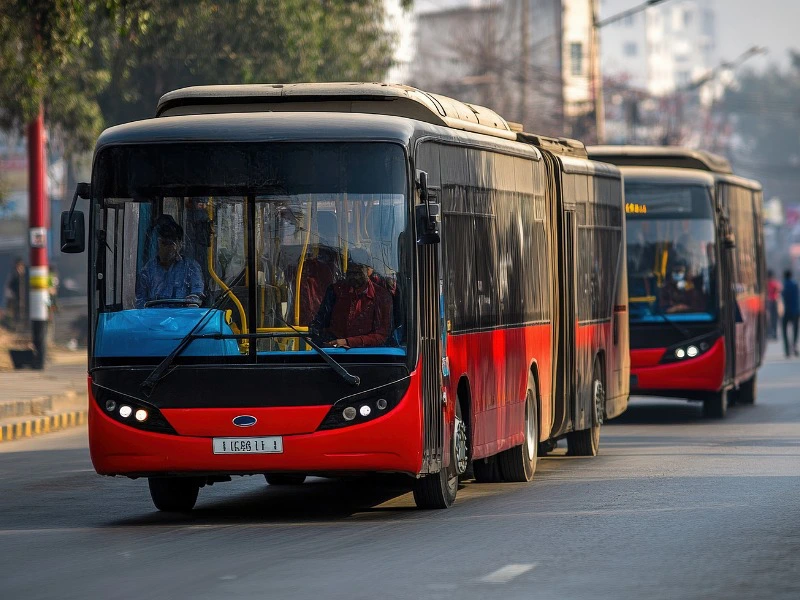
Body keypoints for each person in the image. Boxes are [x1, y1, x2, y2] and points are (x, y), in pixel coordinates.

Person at [310, 257, 392, 348]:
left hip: (368, 355)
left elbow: (381, 336)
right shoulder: (335, 291)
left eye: (358, 273)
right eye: (350, 273)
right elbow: (320, 323)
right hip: (332, 352)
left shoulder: (381, 296)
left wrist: (347, 342)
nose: (354, 277)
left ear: (369, 271)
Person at [135, 214, 205, 309]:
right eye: (163, 243)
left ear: (179, 245)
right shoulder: (147, 271)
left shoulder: (191, 268)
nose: (166, 248)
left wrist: (193, 302)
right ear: (158, 243)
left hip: (182, 321)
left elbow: (197, 296)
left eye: (171, 244)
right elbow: (140, 301)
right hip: (154, 321)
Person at [781, 269, 799, 358]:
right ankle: (794, 347)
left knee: (784, 331)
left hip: (786, 311)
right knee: (795, 331)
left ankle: (787, 350)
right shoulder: (795, 285)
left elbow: (782, 298)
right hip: (795, 311)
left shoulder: (784, 285)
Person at [4, 257, 26, 331]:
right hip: (16, 298)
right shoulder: (14, 274)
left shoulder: (24, 275)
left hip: (23, 298)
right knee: (16, 313)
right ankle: (16, 327)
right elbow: (9, 286)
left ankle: (21, 327)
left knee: (22, 312)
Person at [766, 270, 781, 340]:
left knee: (769, 319)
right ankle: (774, 333)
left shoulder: (766, 284)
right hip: (774, 302)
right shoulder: (776, 283)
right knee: (774, 319)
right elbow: (779, 291)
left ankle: (771, 333)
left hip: (769, 302)